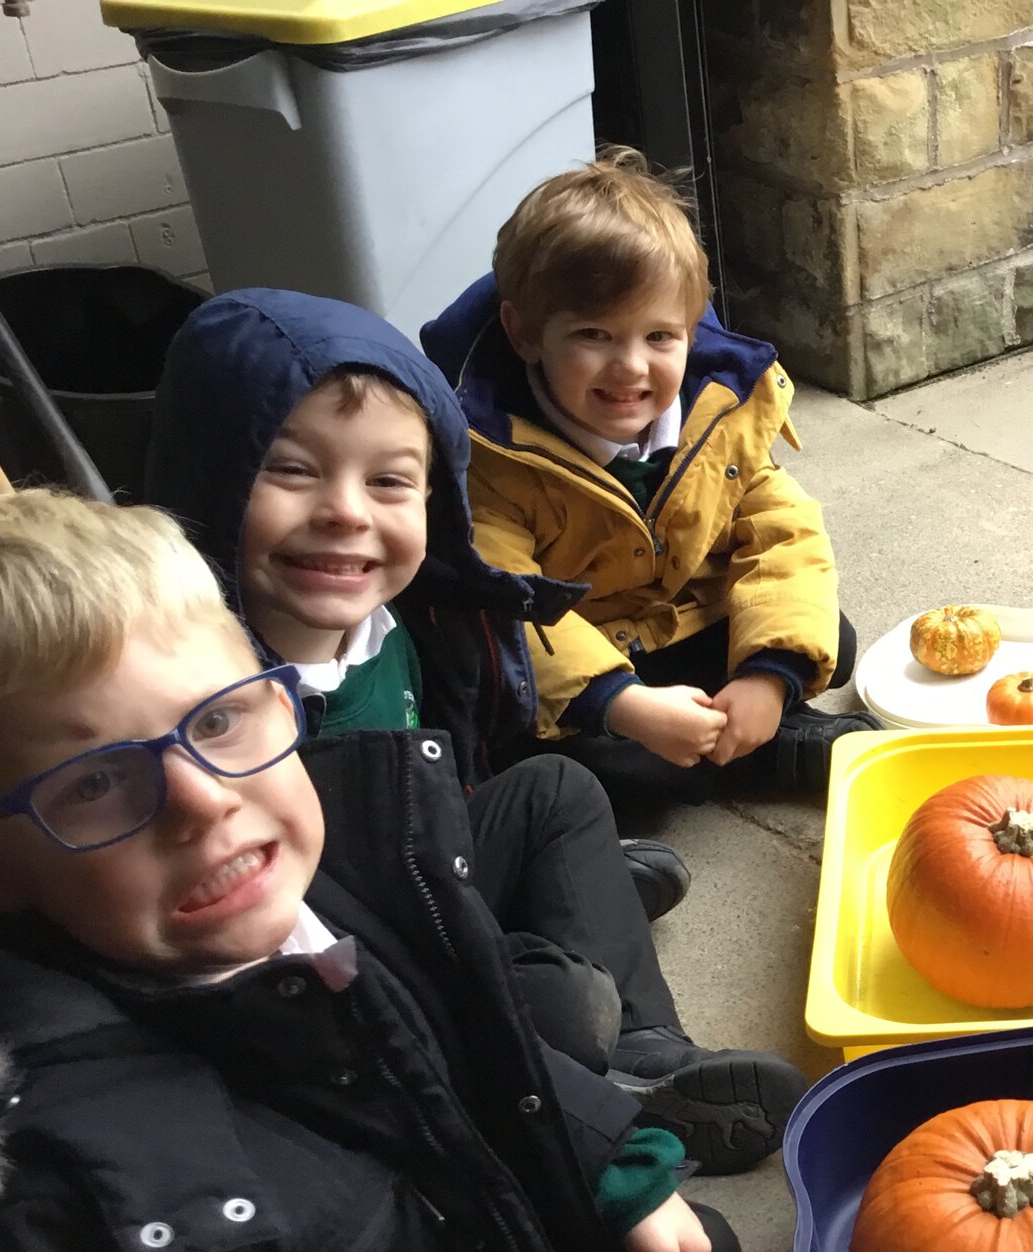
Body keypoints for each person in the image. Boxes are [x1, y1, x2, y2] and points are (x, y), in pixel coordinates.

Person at [0, 491, 807, 1252]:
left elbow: (451, 1034)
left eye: (222, 718)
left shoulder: (283, 895)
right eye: (94, 783)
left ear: (283, 697)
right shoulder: (73, 1210)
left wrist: (607, 1159)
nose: (201, 801)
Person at [147, 291, 805, 1173]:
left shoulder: (404, 619)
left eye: (387, 482)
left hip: (433, 855)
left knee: (560, 792)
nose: (346, 511)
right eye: (293, 471)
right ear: (211, 476)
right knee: (564, 1004)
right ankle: (620, 1104)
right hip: (349, 959)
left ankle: (655, 1047)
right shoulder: (201, 702)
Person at [421, 148, 876, 801]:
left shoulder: (719, 415)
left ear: (691, 331)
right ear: (524, 334)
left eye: (659, 337)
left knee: (825, 635)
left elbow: (783, 535)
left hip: (692, 617)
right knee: (592, 763)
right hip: (592, 648)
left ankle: (745, 724)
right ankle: (767, 753)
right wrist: (624, 703)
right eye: (594, 336)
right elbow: (510, 609)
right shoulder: (491, 455)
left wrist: (767, 675)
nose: (631, 367)